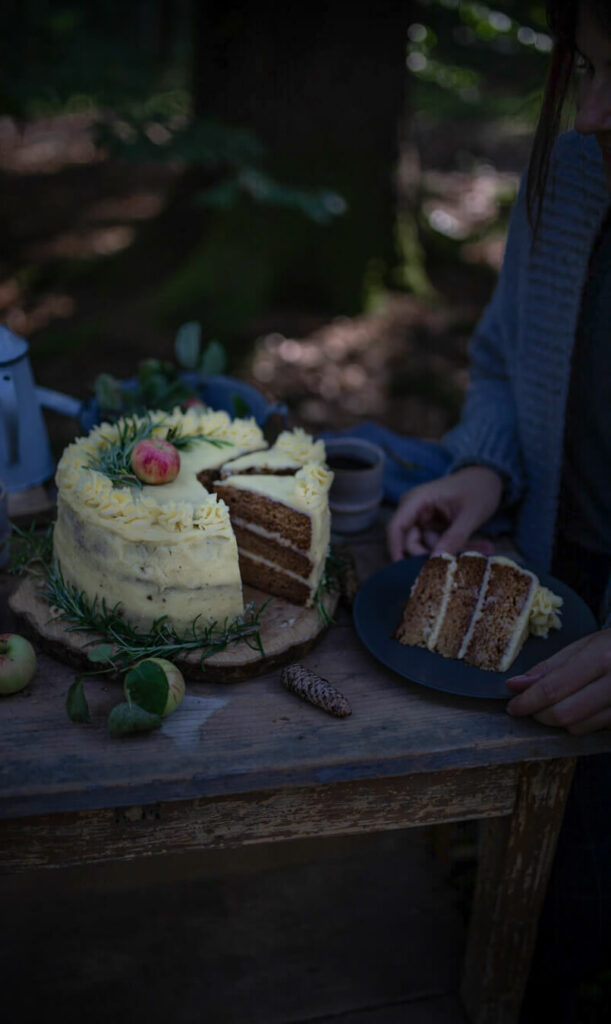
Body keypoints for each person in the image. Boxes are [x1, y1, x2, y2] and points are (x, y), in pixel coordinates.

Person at [386, 1, 611, 1019]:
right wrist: (482, 470)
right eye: (587, 69)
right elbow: (497, 365)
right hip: (547, 567)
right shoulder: (568, 170)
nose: (590, 113)